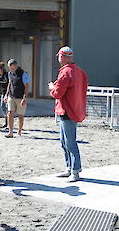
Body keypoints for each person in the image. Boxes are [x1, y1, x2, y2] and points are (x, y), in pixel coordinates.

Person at [48, 46, 88, 182]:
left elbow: (58, 93)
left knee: (69, 143)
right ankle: (70, 168)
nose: (58, 58)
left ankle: (75, 171)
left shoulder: (65, 73)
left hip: (66, 111)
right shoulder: (80, 72)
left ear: (63, 57)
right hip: (74, 110)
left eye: (59, 56)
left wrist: (52, 88)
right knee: (65, 141)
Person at [4, 59, 29, 138]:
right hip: (11, 96)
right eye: (9, 68)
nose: (11, 69)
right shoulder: (10, 73)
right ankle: (10, 132)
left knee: (20, 116)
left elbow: (27, 86)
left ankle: (19, 131)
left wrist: (24, 98)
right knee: (10, 113)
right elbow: (9, 84)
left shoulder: (23, 74)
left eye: (12, 67)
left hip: (20, 97)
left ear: (16, 66)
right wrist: (6, 94)